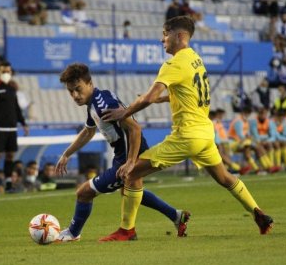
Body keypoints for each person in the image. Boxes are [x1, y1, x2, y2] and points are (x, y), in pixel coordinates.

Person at [100, 16, 273, 241]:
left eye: (165, 33)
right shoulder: (195, 59)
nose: (162, 39)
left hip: (187, 135)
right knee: (224, 177)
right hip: (205, 133)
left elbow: (150, 97)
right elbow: (185, 92)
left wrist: (125, 112)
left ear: (179, 36)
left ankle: (127, 230)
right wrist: (162, 99)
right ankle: (258, 213)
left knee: (131, 173)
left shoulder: (174, 63)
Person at [55, 63, 189, 242]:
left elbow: (135, 129)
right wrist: (66, 154)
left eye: (78, 89)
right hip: (126, 155)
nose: (75, 96)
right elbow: (88, 131)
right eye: (71, 92)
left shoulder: (102, 105)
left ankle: (73, 233)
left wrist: (131, 162)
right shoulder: (96, 101)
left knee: (84, 193)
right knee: (130, 191)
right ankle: (176, 216)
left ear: (89, 83)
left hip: (127, 157)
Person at [0, 61, 29, 192]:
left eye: (9, 71)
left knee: (10, 155)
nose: (7, 74)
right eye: (4, 71)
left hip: (12, 128)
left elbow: (16, 108)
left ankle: (9, 184)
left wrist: (23, 123)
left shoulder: (12, 88)